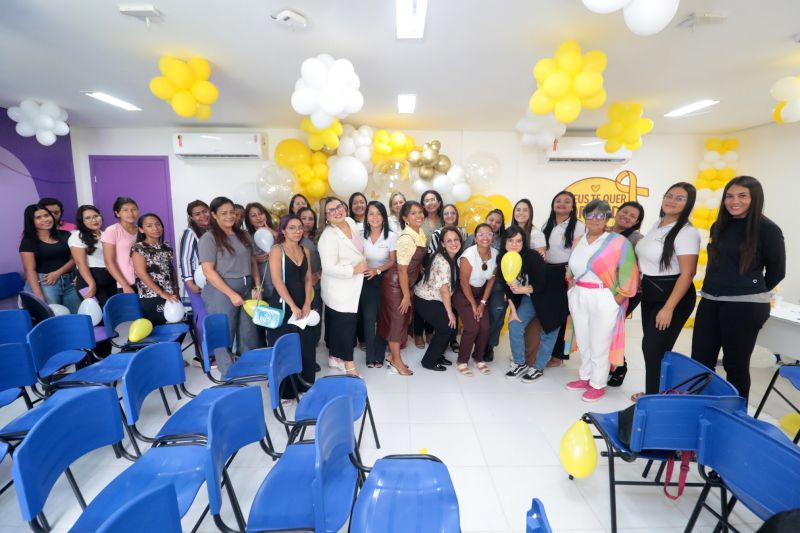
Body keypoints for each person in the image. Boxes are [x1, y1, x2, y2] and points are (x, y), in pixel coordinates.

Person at [691, 176, 785, 400]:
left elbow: (776, 271)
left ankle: (736, 416)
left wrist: (746, 288)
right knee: (700, 361)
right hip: (711, 300)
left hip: (745, 306)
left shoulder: (768, 229)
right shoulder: (719, 226)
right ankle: (701, 406)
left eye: (742, 196)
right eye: (730, 196)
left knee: (735, 365)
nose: (735, 201)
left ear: (755, 198)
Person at [564, 200, 639, 402]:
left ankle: (598, 383)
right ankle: (585, 376)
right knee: (584, 338)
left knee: (600, 341)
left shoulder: (618, 242)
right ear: (584, 217)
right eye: (590, 215)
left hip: (603, 296)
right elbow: (571, 269)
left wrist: (617, 299)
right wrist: (571, 290)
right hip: (579, 294)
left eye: (600, 215)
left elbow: (629, 272)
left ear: (608, 218)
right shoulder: (578, 240)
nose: (595, 219)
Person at [631, 183, 699, 399]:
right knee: (650, 347)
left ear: (688, 204)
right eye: (668, 196)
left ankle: (654, 397)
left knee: (654, 348)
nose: (671, 201)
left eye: (679, 198)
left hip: (672, 296)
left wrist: (669, 307)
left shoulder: (687, 232)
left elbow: (687, 274)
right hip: (652, 292)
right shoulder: (658, 223)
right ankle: (655, 393)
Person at [498, 226, 566, 383]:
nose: (515, 244)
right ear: (504, 242)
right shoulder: (502, 258)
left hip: (551, 297)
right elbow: (507, 288)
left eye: (519, 241)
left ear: (524, 242)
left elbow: (541, 285)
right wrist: (513, 311)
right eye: (510, 240)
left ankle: (538, 367)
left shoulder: (533, 256)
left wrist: (521, 289)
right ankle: (520, 363)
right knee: (514, 324)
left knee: (549, 332)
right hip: (531, 297)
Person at [198, 196, 262, 355]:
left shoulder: (244, 235)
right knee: (224, 333)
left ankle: (246, 367)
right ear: (214, 215)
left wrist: (257, 285)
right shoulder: (209, 238)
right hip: (221, 291)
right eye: (224, 213)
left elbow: (253, 262)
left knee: (249, 333)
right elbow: (208, 271)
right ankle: (227, 372)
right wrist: (231, 294)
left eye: (232, 212)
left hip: (247, 287)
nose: (229, 216)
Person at [267, 214, 317, 398]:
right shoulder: (277, 250)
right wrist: (293, 306)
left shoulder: (305, 250)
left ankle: (305, 385)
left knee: (305, 344)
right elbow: (277, 281)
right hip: (283, 304)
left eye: (300, 228)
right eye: (292, 228)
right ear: (283, 230)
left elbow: (308, 278)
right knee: (286, 346)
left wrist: (306, 303)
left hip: (302, 303)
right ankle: (286, 391)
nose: (297, 231)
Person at [318, 196, 367, 376]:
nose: (337, 211)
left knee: (339, 325)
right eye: (331, 210)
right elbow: (329, 267)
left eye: (338, 206)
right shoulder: (328, 236)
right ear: (326, 216)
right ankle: (349, 366)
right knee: (346, 327)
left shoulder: (349, 222)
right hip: (339, 287)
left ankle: (335, 357)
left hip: (355, 284)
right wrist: (353, 269)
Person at [377, 200, 425, 376]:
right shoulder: (406, 238)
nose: (418, 215)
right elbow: (402, 269)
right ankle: (396, 361)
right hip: (396, 285)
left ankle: (391, 356)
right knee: (397, 322)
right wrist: (406, 295)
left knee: (403, 320)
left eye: (420, 212)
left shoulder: (419, 233)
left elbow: (414, 262)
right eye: (413, 213)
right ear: (405, 217)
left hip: (405, 284)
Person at [542, 191, 585, 367]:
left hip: (565, 273)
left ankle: (558, 355)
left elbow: (580, 253)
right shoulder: (547, 224)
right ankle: (546, 350)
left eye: (567, 202)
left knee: (562, 315)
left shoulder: (579, 226)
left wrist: (572, 276)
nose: (562, 204)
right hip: (547, 272)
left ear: (573, 206)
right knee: (548, 313)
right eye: (558, 200)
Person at [606, 200, 645, 386]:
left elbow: (639, 269)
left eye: (632, 216)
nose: (626, 216)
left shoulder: (637, 239)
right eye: (625, 212)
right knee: (602, 330)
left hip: (625, 292)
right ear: (617, 211)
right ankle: (605, 366)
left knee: (612, 330)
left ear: (636, 222)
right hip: (603, 290)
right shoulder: (603, 232)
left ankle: (620, 367)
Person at [414, 226, 462, 371]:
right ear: (442, 244)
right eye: (449, 241)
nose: (453, 243)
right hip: (425, 299)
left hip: (434, 298)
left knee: (448, 327)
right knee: (447, 326)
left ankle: (438, 355)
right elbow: (444, 290)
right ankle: (428, 362)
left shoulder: (452, 257)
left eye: (456, 239)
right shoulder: (443, 261)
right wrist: (450, 313)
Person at [452, 223, 496, 376]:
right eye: (481, 234)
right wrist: (473, 304)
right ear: (475, 238)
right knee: (472, 327)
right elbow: (464, 283)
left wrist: (482, 303)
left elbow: (491, 280)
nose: (485, 237)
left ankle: (478, 358)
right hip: (464, 294)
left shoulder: (496, 254)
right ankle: (462, 361)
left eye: (488, 234)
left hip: (480, 295)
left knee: (485, 327)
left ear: (493, 236)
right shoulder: (468, 255)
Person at [19, 203, 80, 312]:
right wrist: (39, 296)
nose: (45, 219)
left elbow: (75, 258)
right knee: (52, 316)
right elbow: (29, 270)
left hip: (68, 281)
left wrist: (58, 273)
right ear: (31, 221)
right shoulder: (28, 241)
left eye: (46, 215)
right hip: (45, 283)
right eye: (38, 217)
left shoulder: (65, 235)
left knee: (79, 314)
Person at [359, 201, 397, 368]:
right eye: (371, 213)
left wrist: (378, 270)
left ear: (384, 217)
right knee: (368, 318)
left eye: (378, 213)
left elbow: (392, 261)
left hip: (384, 279)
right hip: (365, 278)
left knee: (382, 318)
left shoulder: (391, 235)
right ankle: (370, 355)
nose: (375, 217)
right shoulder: (359, 234)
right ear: (367, 217)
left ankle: (379, 355)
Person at [131, 213, 180, 325]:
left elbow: (170, 269)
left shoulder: (166, 246)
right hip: (152, 295)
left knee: (174, 324)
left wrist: (176, 289)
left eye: (158, 224)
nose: (155, 228)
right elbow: (141, 273)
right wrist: (162, 293)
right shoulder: (139, 248)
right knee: (157, 327)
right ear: (141, 230)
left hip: (170, 293)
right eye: (149, 226)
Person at [70, 205, 117, 307]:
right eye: (88, 218)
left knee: (114, 311)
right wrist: (91, 284)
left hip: (110, 278)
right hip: (88, 280)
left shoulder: (106, 234)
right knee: (100, 312)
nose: (94, 220)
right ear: (81, 221)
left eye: (96, 216)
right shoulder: (77, 235)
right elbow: (80, 262)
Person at [298, 206, 323, 359]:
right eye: (304, 218)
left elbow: (328, 260)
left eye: (311, 219)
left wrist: (318, 274)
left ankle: (312, 350)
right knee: (301, 318)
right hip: (298, 285)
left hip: (317, 283)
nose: (307, 222)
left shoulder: (319, 237)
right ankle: (302, 351)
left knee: (316, 315)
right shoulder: (292, 238)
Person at [101, 197, 139, 294]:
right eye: (125, 210)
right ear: (117, 213)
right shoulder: (112, 230)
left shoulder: (142, 230)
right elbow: (109, 262)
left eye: (134, 209)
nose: (130, 213)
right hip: (127, 283)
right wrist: (124, 285)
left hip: (146, 281)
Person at [484, 208, 507, 362]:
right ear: (486, 219)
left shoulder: (505, 241)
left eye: (498, 222)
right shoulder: (473, 237)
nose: (494, 223)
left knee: (497, 314)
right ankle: (477, 343)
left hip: (498, 285)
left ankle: (489, 346)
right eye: (491, 219)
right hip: (477, 284)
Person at [245, 202, 277, 300]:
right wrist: (253, 259)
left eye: (260, 213)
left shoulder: (277, 232)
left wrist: (270, 230)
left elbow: (287, 245)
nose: (258, 217)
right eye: (253, 216)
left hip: (281, 280)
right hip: (261, 281)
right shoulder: (246, 237)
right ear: (249, 220)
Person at [178, 200, 210, 295]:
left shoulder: (212, 231)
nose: (203, 216)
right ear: (191, 217)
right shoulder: (189, 233)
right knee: (202, 310)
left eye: (205, 211)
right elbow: (185, 259)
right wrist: (190, 283)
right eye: (197, 214)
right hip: (197, 281)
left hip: (212, 279)